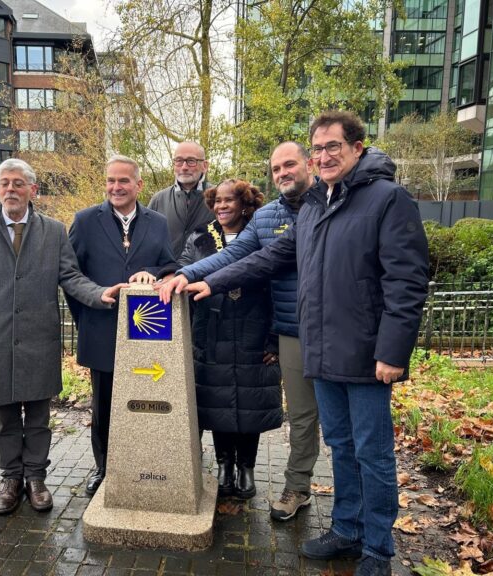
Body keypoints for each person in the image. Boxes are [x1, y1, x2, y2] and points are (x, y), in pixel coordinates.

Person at [174, 111, 429, 576]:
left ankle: (378, 549)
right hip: (319, 349)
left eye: (333, 146)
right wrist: (205, 279)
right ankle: (347, 529)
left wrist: (393, 351)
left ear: (356, 148)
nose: (324, 156)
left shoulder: (388, 200)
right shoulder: (315, 205)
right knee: (341, 445)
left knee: (372, 451)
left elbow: (407, 281)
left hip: (367, 354)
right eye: (319, 148)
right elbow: (269, 256)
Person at [159, 142, 318, 520]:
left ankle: (269, 475)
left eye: (289, 165)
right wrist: (184, 275)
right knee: (241, 407)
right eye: (276, 168)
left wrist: (269, 337)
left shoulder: (318, 208)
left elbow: (260, 263)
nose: (223, 206)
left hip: (269, 329)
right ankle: (256, 475)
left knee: (280, 411)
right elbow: (230, 258)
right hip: (227, 332)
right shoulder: (244, 227)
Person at [0, 158, 125, 515]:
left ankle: (35, 477)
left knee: (37, 417)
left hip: (38, 340)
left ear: (33, 189)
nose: (10, 190)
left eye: (18, 183)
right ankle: (11, 478)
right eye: (4, 183)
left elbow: (72, 277)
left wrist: (101, 294)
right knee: (2, 419)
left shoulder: (53, 231)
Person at [159, 179, 281, 499]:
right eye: (217, 201)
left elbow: (278, 287)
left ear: (244, 205)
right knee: (217, 403)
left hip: (253, 330)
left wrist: (275, 340)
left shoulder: (260, 235)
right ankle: (225, 465)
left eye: (230, 201)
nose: (222, 206)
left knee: (249, 403)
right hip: (211, 330)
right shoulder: (200, 236)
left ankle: (247, 468)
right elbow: (184, 270)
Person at [67, 155, 175, 497]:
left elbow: (170, 268)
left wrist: (153, 275)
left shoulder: (158, 222)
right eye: (111, 180)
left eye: (124, 181)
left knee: (146, 401)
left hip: (148, 335)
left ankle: (145, 463)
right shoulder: (84, 221)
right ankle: (105, 468)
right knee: (104, 406)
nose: (116, 187)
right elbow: (71, 276)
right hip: (101, 329)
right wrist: (89, 315)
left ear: (138, 185)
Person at [148, 141, 214, 258]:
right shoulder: (159, 199)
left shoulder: (219, 197)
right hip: (166, 273)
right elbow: (146, 241)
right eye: (179, 161)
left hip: (206, 274)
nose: (184, 167)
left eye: (191, 161)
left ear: (205, 166)